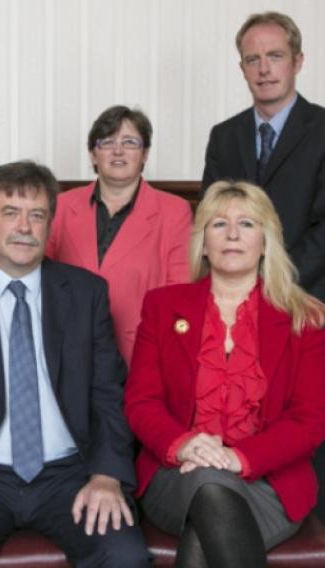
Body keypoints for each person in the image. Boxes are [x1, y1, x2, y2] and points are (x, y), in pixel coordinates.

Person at [0, 161, 149, 567]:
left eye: (37, 215)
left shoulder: (85, 294)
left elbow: (108, 394)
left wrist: (106, 475)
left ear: (50, 224)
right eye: (10, 213)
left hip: (69, 475)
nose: (24, 226)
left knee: (125, 556)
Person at [125, 181, 325, 567]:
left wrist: (240, 458)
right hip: (178, 474)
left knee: (208, 512)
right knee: (207, 484)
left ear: (266, 242)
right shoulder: (163, 307)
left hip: (270, 485)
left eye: (247, 224)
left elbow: (310, 420)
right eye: (219, 224)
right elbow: (141, 402)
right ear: (202, 241)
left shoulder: (307, 318)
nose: (232, 234)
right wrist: (183, 444)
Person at [46, 106, 191, 365]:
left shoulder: (174, 212)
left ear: (145, 154)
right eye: (107, 142)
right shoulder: (61, 207)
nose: (118, 150)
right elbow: (41, 280)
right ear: (93, 155)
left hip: (142, 354)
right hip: (66, 351)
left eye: (130, 142)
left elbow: (180, 295)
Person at [202, 12, 325, 302]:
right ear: (242, 68)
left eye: (275, 56)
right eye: (252, 59)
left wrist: (274, 283)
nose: (264, 69)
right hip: (235, 299)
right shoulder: (224, 137)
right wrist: (241, 286)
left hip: (309, 297)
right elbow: (210, 217)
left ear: (298, 62)